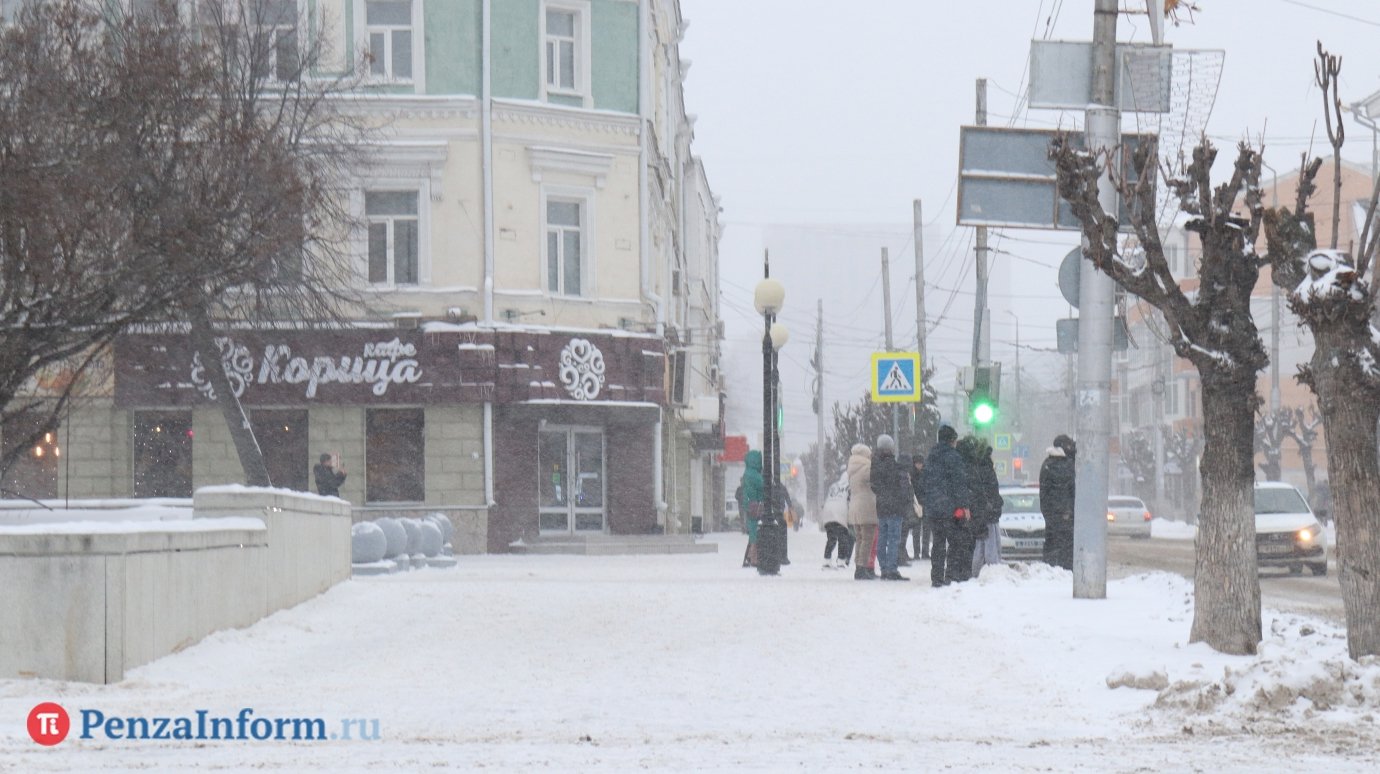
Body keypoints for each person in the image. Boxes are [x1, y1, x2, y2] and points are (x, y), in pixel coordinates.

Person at [920, 426, 970, 587]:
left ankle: (936, 577)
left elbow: (923, 484)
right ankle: (951, 575)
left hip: (933, 508)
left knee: (938, 543)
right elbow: (959, 483)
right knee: (955, 542)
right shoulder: (954, 458)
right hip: (951, 508)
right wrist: (964, 505)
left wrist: (927, 502)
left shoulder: (930, 457)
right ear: (952, 440)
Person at [959, 436, 1004, 577]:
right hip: (987, 511)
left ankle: (977, 571)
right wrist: (994, 504)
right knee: (989, 544)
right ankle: (987, 571)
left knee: (981, 543)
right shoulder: (984, 468)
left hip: (982, 511)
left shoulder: (974, 467)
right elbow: (989, 489)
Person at [869, 435, 912, 581]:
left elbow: (874, 486)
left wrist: (883, 495)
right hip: (894, 507)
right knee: (893, 539)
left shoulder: (874, 464)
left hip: (881, 506)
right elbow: (901, 487)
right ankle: (892, 569)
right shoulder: (894, 465)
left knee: (882, 538)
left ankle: (883, 568)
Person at [1040, 434, 1077, 570]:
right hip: (1064, 517)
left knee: (1052, 544)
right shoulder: (1063, 465)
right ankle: (1062, 572)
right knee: (1065, 549)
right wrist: (1067, 512)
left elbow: (1045, 494)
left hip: (1054, 516)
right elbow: (1069, 492)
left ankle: (1051, 569)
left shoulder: (1048, 464)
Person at [846, 443, 878, 580]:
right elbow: (875, 481)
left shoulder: (851, 469)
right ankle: (862, 568)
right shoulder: (867, 467)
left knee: (859, 538)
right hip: (867, 506)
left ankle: (858, 567)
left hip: (855, 506)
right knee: (867, 539)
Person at [740, 450, 765, 568]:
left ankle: (750, 557)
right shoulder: (755, 475)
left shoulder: (747, 473)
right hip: (756, 505)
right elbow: (762, 488)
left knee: (753, 532)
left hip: (749, 505)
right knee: (755, 533)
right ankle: (753, 558)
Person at [908, 452, 930, 560]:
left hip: (923, 503)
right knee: (917, 529)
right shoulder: (912, 474)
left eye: (920, 463)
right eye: (917, 463)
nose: (919, 465)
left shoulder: (924, 473)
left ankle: (924, 552)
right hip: (917, 504)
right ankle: (917, 552)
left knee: (926, 529)